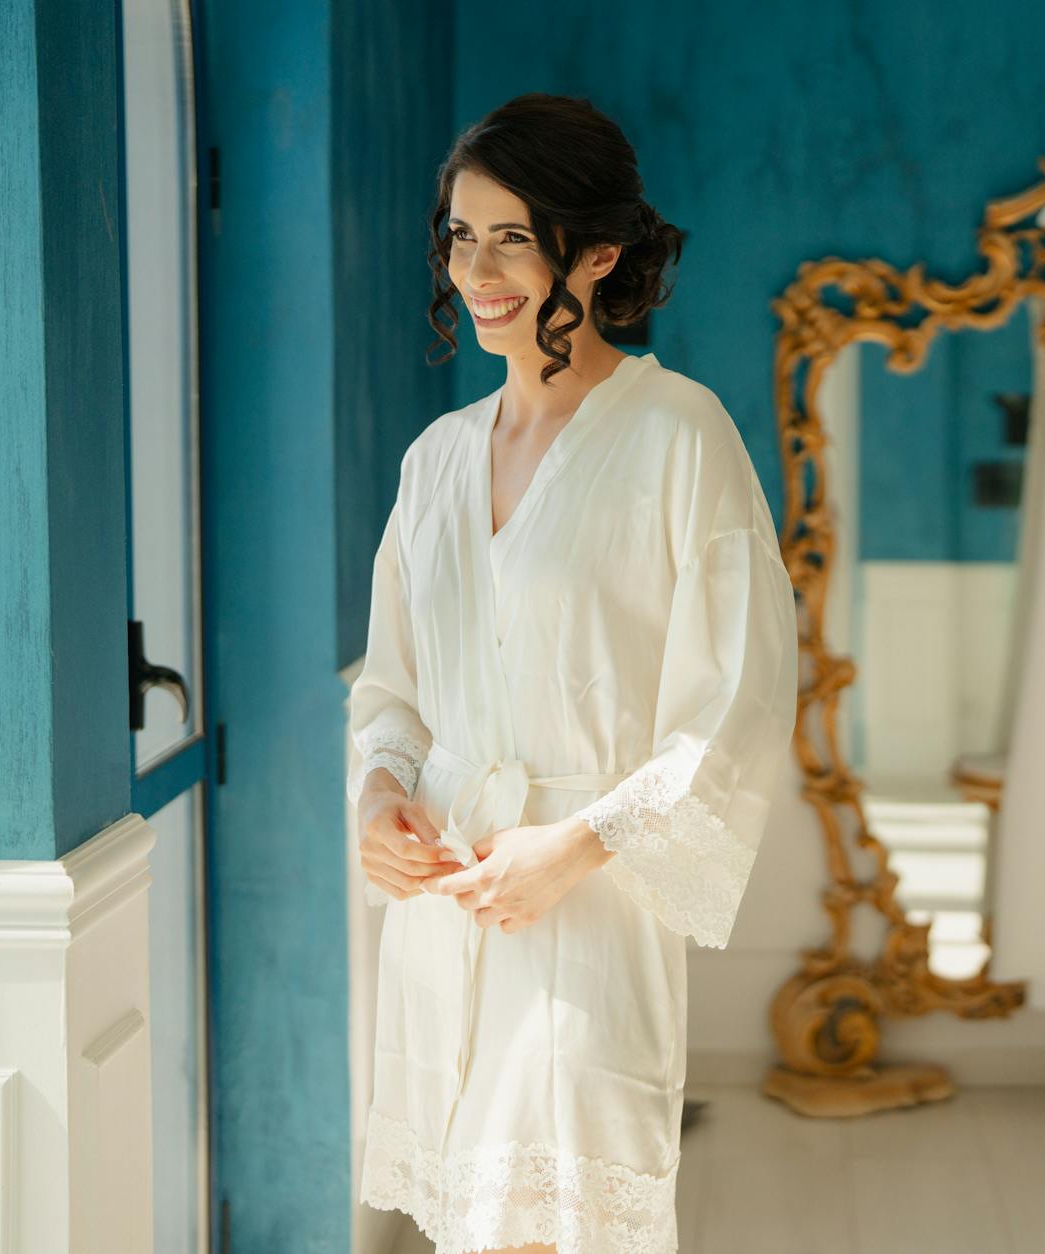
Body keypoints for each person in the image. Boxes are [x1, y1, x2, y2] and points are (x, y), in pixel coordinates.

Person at [347, 93, 798, 1254]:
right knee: (466, 1228)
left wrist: (580, 845)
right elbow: (391, 687)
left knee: (558, 1229)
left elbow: (736, 704)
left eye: (514, 236)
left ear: (596, 253)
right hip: (443, 904)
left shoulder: (676, 435)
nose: (479, 268)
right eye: (460, 234)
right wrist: (378, 796)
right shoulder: (435, 460)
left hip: (587, 903)